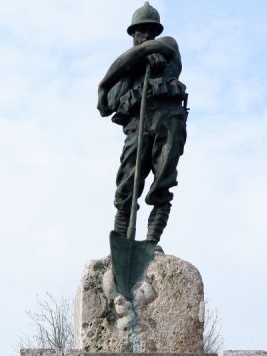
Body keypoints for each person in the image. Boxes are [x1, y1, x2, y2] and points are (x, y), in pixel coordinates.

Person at [97, 2, 188, 244]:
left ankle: (151, 242)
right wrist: (134, 65)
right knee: (127, 184)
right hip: (137, 125)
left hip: (168, 121)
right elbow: (107, 105)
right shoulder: (127, 70)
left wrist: (141, 56)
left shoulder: (167, 45)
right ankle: (122, 240)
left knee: (163, 184)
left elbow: (160, 47)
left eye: (150, 30)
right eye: (140, 30)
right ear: (133, 34)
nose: (146, 35)